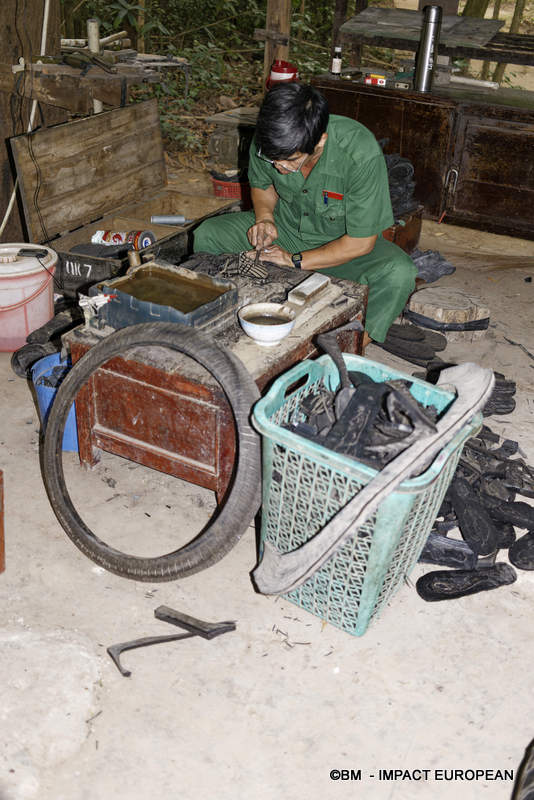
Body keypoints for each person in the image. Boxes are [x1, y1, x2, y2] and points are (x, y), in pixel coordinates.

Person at [194, 82, 417, 348]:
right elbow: (262, 185)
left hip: (342, 249)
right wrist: (265, 218)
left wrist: (294, 261)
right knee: (207, 234)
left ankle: (350, 348)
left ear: (320, 140)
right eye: (273, 159)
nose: (280, 167)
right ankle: (214, 321)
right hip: (286, 232)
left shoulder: (360, 153)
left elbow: (360, 243)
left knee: (399, 273)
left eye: (290, 160)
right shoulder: (271, 138)